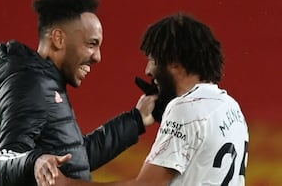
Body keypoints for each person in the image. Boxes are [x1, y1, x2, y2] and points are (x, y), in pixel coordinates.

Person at [0, 0, 157, 186]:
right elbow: (3, 161)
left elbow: (75, 157)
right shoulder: (31, 84)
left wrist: (137, 119)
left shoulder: (47, 83)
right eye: (91, 44)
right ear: (59, 39)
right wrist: (36, 161)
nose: (98, 57)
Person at [52, 13, 250, 186]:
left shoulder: (184, 108)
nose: (147, 70)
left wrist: (67, 184)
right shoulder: (231, 107)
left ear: (173, 61)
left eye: (153, 59)